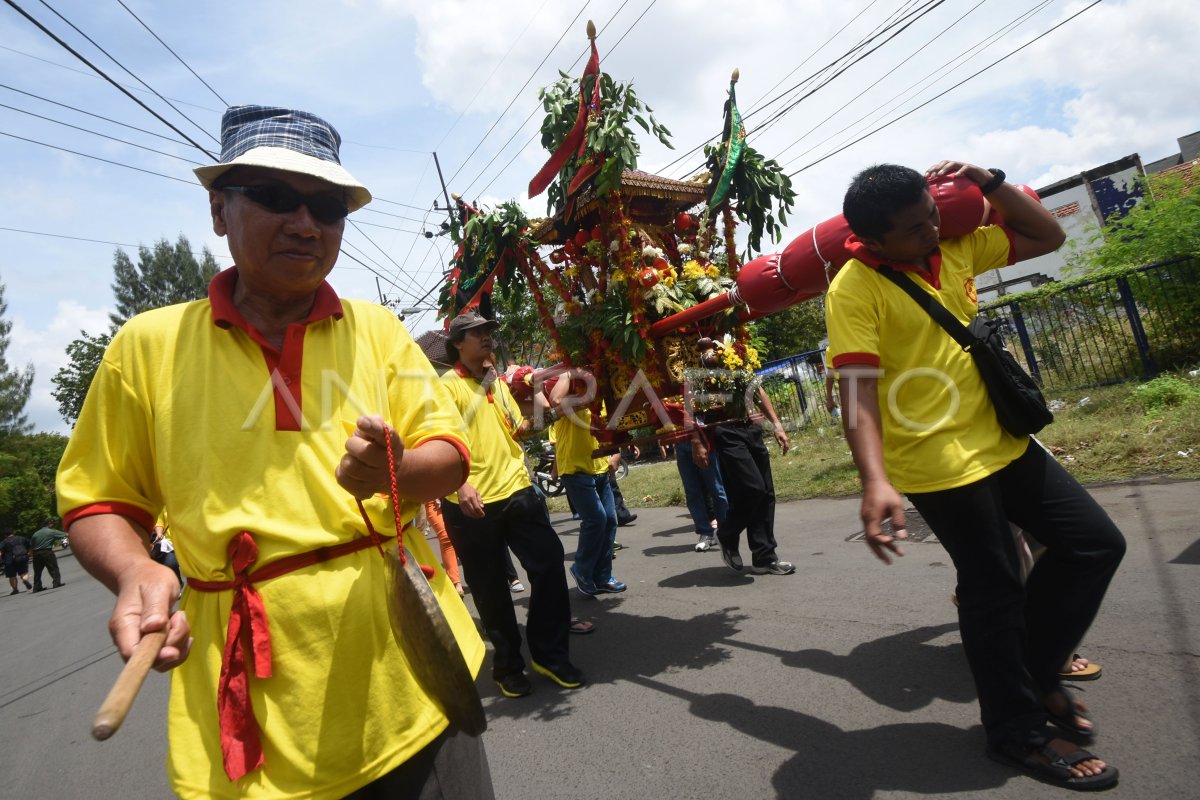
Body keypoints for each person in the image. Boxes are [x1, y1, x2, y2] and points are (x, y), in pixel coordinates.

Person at [55, 105, 493, 799]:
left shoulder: (376, 329)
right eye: (275, 196)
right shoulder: (146, 347)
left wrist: (395, 473)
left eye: (326, 206)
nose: (305, 223)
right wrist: (133, 568)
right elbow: (100, 500)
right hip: (249, 720)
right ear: (218, 209)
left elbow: (451, 454)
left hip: (408, 679)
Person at [826, 160, 1124, 791]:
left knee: (1095, 543)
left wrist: (990, 184)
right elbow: (856, 391)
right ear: (873, 240)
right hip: (937, 464)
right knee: (994, 591)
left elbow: (1049, 237)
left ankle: (1038, 675)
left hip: (1006, 441)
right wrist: (875, 481)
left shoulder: (956, 246)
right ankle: (1016, 732)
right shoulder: (854, 288)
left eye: (932, 214)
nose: (932, 231)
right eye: (913, 229)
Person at [439, 312, 586, 698]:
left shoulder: (497, 383)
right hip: (472, 501)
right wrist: (460, 481)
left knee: (550, 564)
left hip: (518, 490)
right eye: (477, 333)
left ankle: (550, 655)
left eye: (489, 332)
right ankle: (507, 666)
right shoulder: (446, 388)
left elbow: (519, 430)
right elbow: (437, 441)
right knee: (490, 589)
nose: (487, 338)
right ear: (457, 343)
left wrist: (543, 404)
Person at [696, 343, 795, 576]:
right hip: (725, 431)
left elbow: (756, 389)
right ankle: (727, 534)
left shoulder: (738, 353)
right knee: (753, 489)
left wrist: (777, 425)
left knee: (766, 492)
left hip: (751, 427)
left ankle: (764, 556)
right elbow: (691, 404)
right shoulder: (699, 360)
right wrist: (696, 442)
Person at [550, 376, 625, 596]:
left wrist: (617, 452)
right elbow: (554, 399)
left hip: (600, 467)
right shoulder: (567, 397)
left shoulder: (601, 398)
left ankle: (602, 577)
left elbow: (612, 427)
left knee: (610, 520)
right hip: (575, 469)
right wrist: (570, 372)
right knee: (596, 519)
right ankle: (582, 569)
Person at [675, 426, 728, 553]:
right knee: (692, 492)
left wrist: (696, 441)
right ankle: (706, 533)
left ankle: (726, 532)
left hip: (703, 439)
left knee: (716, 489)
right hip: (681, 441)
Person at [29, 520, 67, 592]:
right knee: (53, 568)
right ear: (49, 524)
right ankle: (56, 583)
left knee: (37, 571)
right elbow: (65, 535)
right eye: (52, 524)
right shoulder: (51, 531)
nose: (53, 525)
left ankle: (37, 587)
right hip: (47, 552)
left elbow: (31, 545)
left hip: (36, 553)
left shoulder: (35, 533)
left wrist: (31, 554)